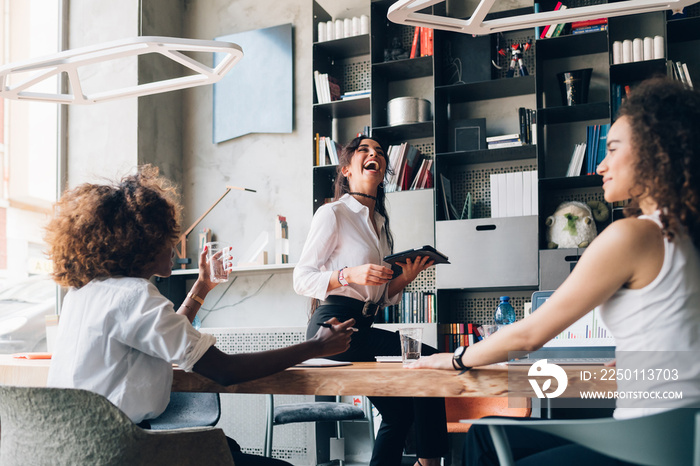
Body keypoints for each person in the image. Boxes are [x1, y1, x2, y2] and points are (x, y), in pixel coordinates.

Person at [410, 76, 700, 465]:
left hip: (645, 446)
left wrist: (458, 357)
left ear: (656, 151)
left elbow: (530, 333)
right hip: (682, 438)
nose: (601, 165)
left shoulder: (633, 235)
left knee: (487, 442)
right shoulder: (685, 235)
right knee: (484, 437)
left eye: (613, 150)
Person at [44, 165, 356, 466]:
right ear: (144, 244)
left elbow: (164, 334)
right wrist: (316, 346)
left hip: (72, 450)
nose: (176, 245)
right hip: (124, 451)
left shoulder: (83, 294)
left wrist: (202, 287)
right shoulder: (134, 296)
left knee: (227, 448)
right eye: (168, 238)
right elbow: (226, 370)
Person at [294, 136, 448, 466]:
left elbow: (381, 297)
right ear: (347, 170)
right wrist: (349, 274)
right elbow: (301, 279)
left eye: (378, 152)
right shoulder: (332, 213)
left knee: (400, 413)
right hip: (332, 327)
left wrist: (404, 278)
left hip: (363, 325)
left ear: (382, 173)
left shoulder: (380, 226)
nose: (373, 154)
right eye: (364, 150)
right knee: (431, 361)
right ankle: (429, 463)